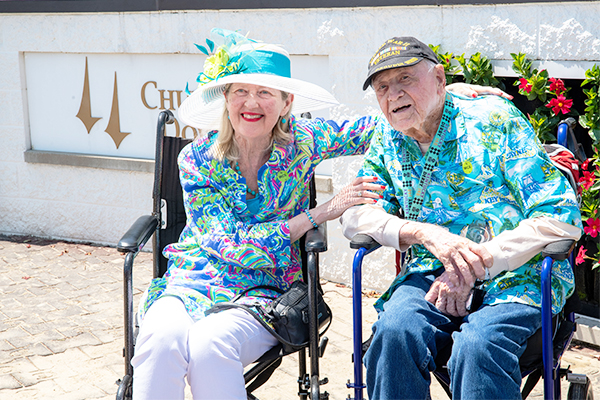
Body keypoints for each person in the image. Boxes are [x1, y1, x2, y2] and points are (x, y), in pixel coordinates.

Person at [131, 28, 505, 399]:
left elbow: (384, 121)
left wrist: (444, 93)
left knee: (209, 346)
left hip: (264, 291)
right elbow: (230, 246)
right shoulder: (196, 158)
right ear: (225, 98)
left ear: (286, 102)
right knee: (158, 341)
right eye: (241, 91)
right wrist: (321, 213)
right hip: (193, 279)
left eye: (265, 93)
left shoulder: (303, 142)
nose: (252, 102)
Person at [341, 36, 583, 400]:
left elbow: (559, 215)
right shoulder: (388, 137)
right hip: (429, 272)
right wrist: (420, 232)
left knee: (478, 346)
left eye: (406, 78)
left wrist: (477, 264)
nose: (393, 95)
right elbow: (357, 214)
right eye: (382, 87)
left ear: (439, 78)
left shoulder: (494, 120)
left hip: (516, 274)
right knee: (393, 332)